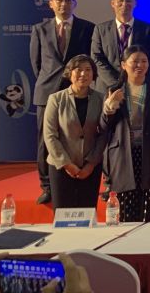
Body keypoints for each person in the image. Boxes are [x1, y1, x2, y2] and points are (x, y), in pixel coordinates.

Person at [30, 0, 95, 204]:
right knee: (45, 140)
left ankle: (79, 176)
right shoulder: (39, 29)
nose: (63, 4)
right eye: (59, 0)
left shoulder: (87, 28)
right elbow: (36, 63)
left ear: (75, 3)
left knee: (80, 136)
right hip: (47, 91)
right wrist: (49, 83)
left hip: (78, 91)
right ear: (50, 4)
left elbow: (89, 60)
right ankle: (47, 186)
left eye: (68, 0)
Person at [98, 45, 150, 222]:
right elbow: (103, 127)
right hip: (122, 153)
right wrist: (109, 108)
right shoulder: (114, 90)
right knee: (126, 208)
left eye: (144, 61)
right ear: (123, 65)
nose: (140, 65)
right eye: (135, 61)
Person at [43, 55, 108, 209]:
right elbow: (50, 135)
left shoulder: (101, 99)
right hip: (61, 167)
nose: (83, 74)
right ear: (69, 73)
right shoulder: (56, 99)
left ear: (93, 74)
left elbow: (104, 134)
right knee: (63, 215)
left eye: (88, 70)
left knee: (87, 214)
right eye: (78, 70)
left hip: (90, 167)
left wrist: (91, 164)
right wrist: (67, 164)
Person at [91, 0, 150, 90]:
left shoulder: (147, 29)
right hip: (107, 87)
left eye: (129, 0)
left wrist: (136, 80)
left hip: (137, 86)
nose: (125, 4)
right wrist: (116, 83)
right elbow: (96, 58)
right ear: (113, 3)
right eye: (120, 0)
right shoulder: (100, 29)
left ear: (135, 3)